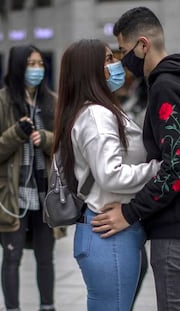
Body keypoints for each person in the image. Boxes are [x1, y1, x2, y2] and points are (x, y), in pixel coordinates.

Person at [91, 7, 180, 311]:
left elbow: (178, 165)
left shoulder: (167, 87)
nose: (123, 61)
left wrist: (130, 212)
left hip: (178, 222)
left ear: (143, 44)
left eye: (123, 51)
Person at [53, 38, 160, 310]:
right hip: (107, 231)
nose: (117, 64)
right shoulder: (96, 115)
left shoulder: (101, 109)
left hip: (113, 229)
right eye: (109, 60)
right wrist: (157, 169)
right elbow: (110, 175)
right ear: (90, 70)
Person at [0, 44, 63, 311]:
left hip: (45, 194)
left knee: (46, 258)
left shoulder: (53, 101)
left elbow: (66, 145)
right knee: (11, 256)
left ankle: (47, 306)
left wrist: (46, 139)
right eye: (30, 64)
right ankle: (12, 308)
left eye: (40, 64)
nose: (36, 69)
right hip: (12, 196)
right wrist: (16, 133)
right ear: (17, 67)